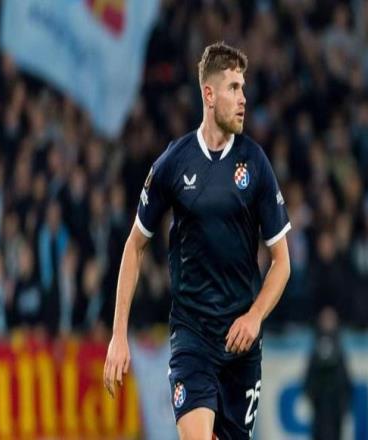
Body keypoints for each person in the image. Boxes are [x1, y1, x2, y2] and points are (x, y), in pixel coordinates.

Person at [103, 41, 291, 440]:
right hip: (193, 336)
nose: (243, 99)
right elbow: (135, 245)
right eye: (234, 88)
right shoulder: (174, 163)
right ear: (209, 94)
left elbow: (282, 262)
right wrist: (119, 334)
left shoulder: (256, 163)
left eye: (243, 88)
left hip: (241, 342)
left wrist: (255, 316)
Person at [304, 308, 352, 440]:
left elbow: (345, 380)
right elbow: (309, 379)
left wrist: (343, 402)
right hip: (320, 406)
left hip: (335, 406)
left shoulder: (338, 348)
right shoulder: (316, 347)